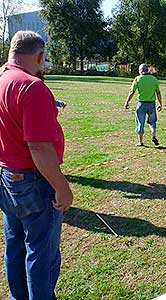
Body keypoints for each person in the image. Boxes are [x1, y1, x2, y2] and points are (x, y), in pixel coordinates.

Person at [0, 31, 73, 299]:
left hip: (7, 177)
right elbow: (39, 147)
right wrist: (62, 188)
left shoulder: (3, 79)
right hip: (33, 181)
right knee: (42, 252)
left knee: (16, 246)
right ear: (40, 56)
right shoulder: (32, 87)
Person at [124, 64, 163, 146]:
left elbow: (132, 92)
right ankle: (153, 135)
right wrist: (160, 103)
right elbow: (158, 92)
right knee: (152, 122)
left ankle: (140, 142)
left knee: (140, 122)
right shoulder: (154, 79)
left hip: (141, 104)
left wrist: (127, 102)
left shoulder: (138, 79)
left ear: (141, 70)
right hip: (151, 104)